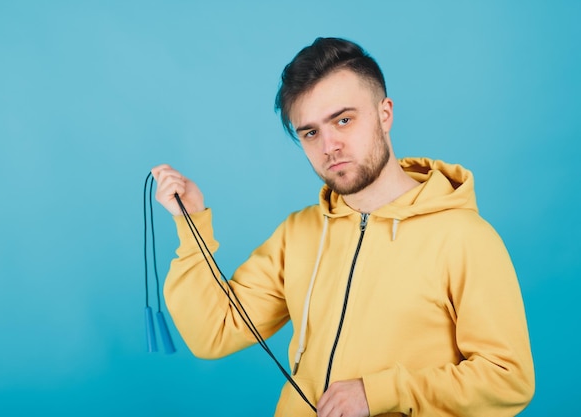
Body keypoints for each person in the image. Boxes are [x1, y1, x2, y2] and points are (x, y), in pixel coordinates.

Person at [151, 37, 535, 417]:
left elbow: (508, 379)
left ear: (385, 114)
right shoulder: (298, 232)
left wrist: (380, 392)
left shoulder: (464, 237)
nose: (329, 145)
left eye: (344, 120)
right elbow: (213, 332)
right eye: (311, 132)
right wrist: (191, 225)